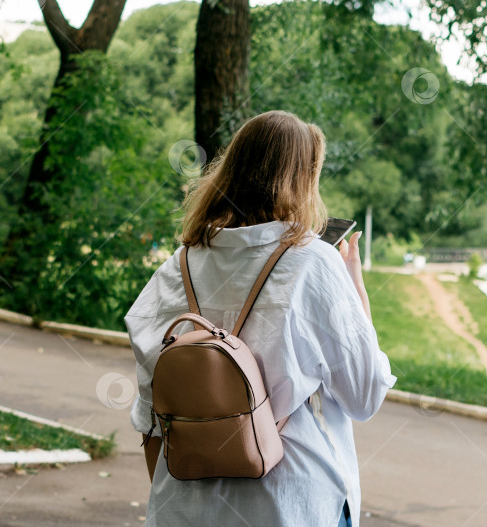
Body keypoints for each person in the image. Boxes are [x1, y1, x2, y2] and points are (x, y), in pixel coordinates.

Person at [126, 110, 397, 526]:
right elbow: (364, 397)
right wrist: (355, 286)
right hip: (290, 503)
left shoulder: (176, 267)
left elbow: (150, 413)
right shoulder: (314, 262)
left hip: (184, 506)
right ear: (304, 180)